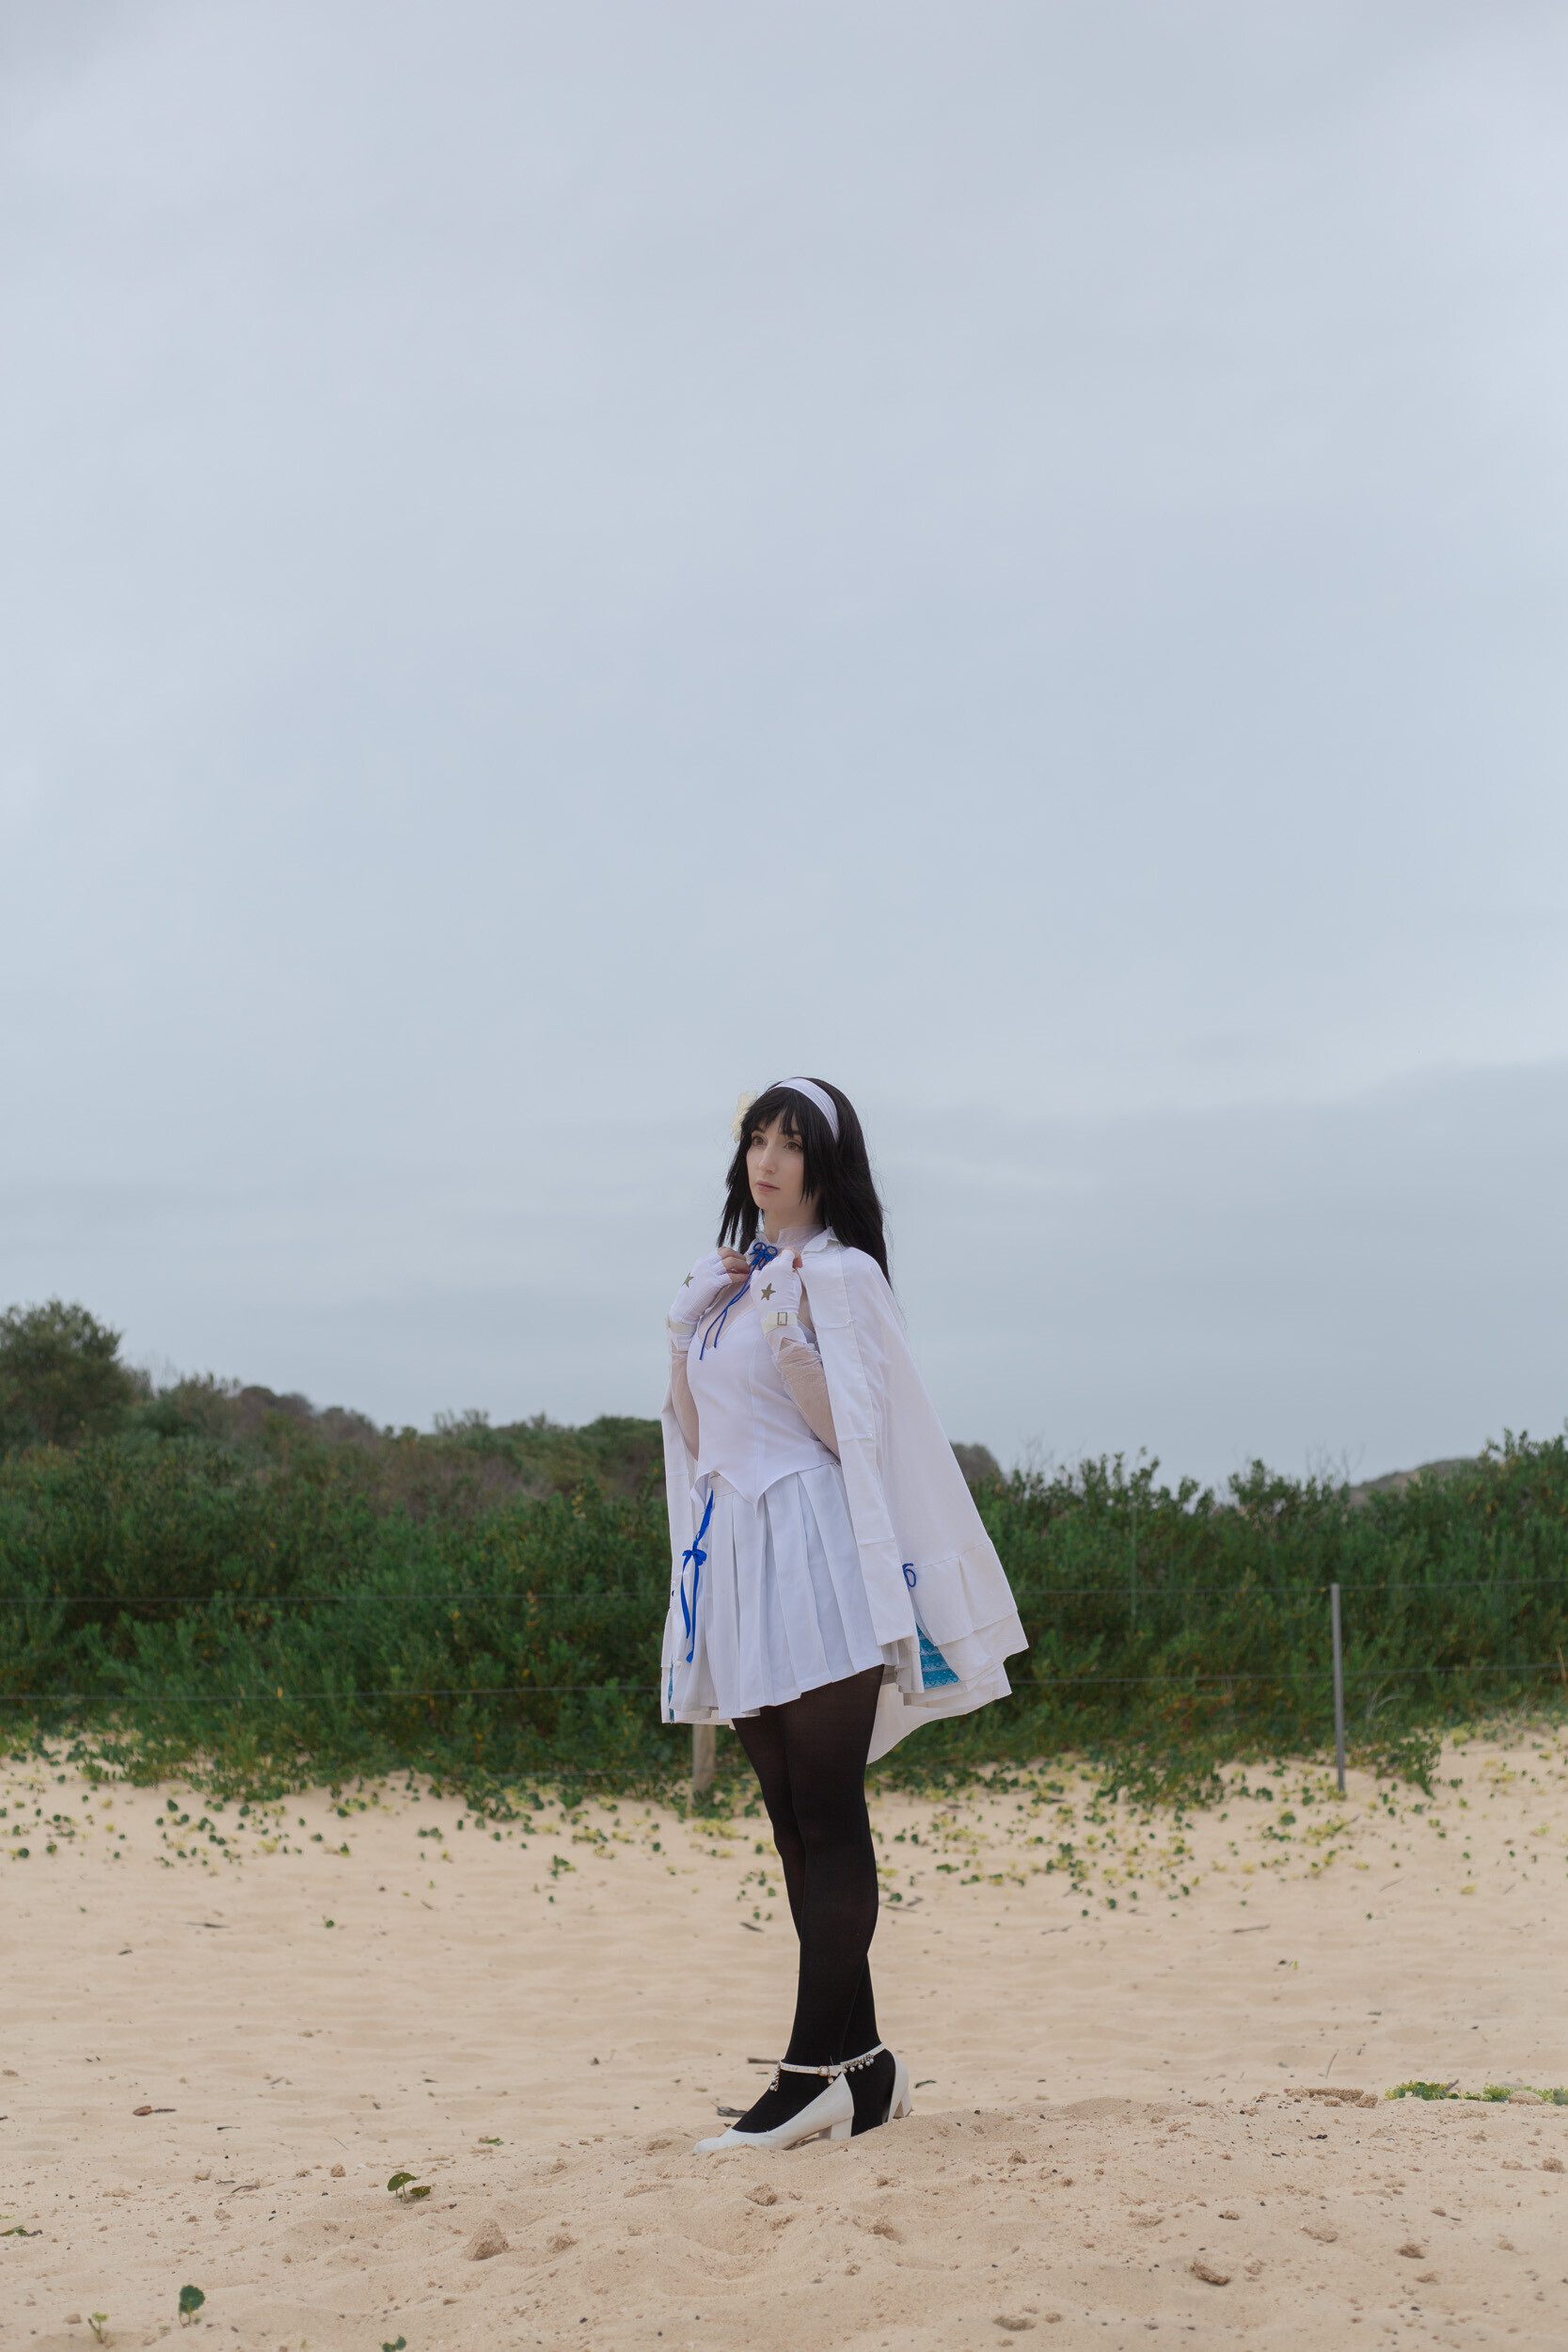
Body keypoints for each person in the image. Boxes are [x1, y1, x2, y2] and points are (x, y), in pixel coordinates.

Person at [660, 1076, 1027, 2153]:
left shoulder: (842, 1275)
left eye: (789, 1143)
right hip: (742, 1556)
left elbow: (852, 1439)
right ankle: (862, 2068)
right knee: (789, 1822)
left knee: (827, 1815)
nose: (766, 1160)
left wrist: (795, 1343)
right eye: (755, 1140)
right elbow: (696, 1438)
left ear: (825, 1164)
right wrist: (682, 1331)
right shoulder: (732, 1281)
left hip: (818, 1552)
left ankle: (806, 2076)